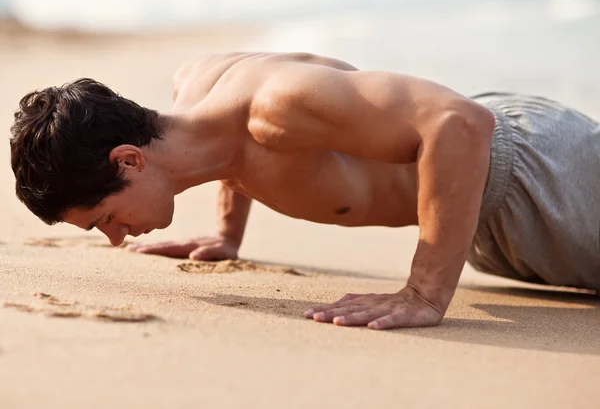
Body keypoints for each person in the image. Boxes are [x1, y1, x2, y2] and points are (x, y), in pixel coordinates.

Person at [10, 52, 600, 330]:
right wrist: (226, 233)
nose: (115, 239)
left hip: (532, 175)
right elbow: (230, 155)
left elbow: (460, 123)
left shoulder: (275, 106)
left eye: (103, 218)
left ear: (130, 161)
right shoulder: (198, 93)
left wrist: (424, 291)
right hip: (479, 217)